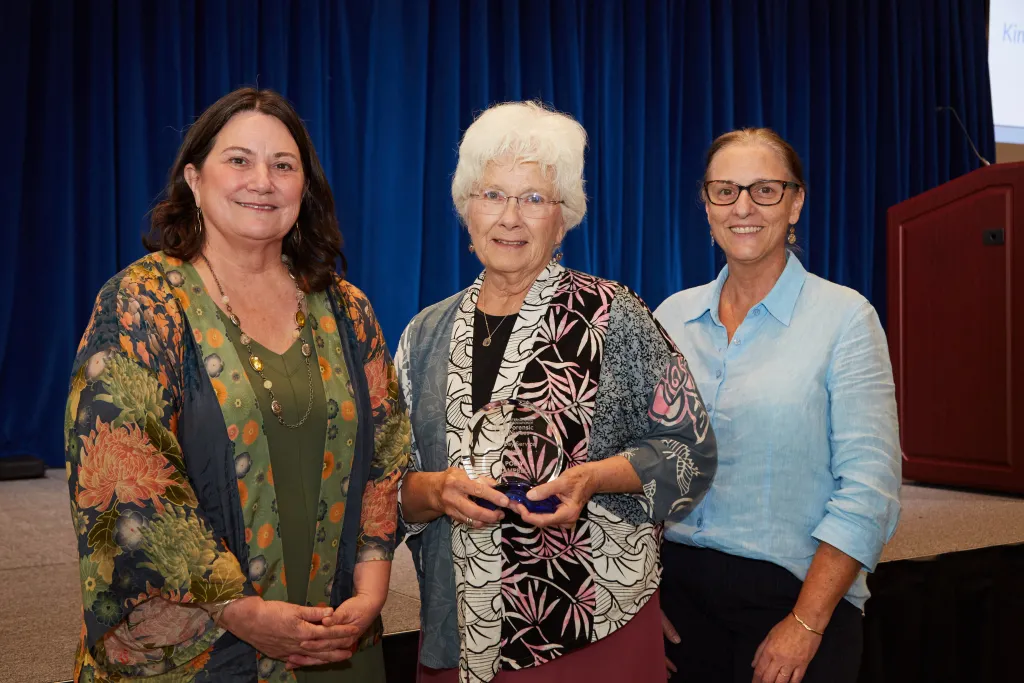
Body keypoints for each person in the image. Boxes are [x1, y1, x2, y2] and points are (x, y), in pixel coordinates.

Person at [65, 87, 409, 683]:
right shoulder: (140, 305)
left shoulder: (348, 310)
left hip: (339, 636)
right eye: (239, 160)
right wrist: (240, 609)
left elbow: (387, 454)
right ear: (194, 181)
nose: (263, 181)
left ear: (305, 187)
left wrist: (373, 587)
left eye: (284, 165)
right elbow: (121, 477)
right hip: (202, 648)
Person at [394, 101, 718, 683]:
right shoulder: (422, 334)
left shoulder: (613, 315)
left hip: (589, 632)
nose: (510, 217)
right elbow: (385, 489)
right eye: (493, 194)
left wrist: (593, 477)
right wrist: (437, 492)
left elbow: (691, 454)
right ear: (466, 207)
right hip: (456, 634)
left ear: (564, 216)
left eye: (534, 199)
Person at [654, 128, 901, 683]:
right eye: (725, 191)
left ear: (796, 202)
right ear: (707, 204)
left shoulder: (845, 319)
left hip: (796, 603)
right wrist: (640, 597)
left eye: (765, 190)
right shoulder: (671, 316)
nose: (743, 207)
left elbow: (870, 491)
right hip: (678, 604)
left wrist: (806, 623)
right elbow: (641, 466)